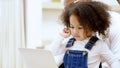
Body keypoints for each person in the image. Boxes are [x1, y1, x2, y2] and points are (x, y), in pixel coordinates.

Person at [45, 1, 120, 68]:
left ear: (92, 26)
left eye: (80, 28)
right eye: (72, 27)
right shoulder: (69, 43)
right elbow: (52, 53)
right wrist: (60, 36)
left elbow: (113, 61)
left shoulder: (99, 45)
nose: (75, 31)